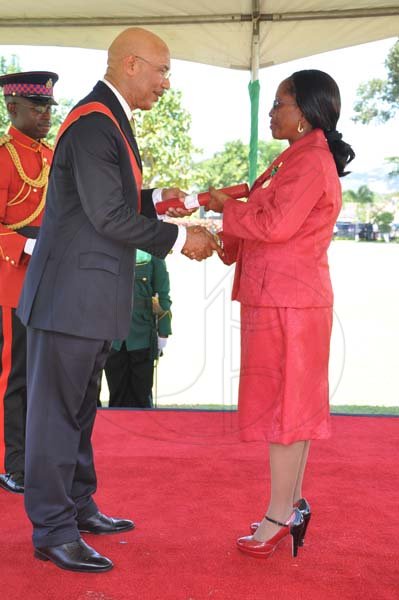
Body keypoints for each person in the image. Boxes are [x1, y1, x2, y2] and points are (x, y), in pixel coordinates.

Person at [17, 27, 220, 574]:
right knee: (57, 417)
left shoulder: (108, 120)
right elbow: (109, 215)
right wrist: (183, 238)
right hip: (69, 301)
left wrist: (168, 201)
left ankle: (77, 507)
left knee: (81, 413)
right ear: (131, 64)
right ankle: (52, 530)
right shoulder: (92, 124)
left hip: (86, 300)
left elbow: (115, 201)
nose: (166, 83)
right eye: (162, 70)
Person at [206, 70, 355, 560]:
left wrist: (226, 208)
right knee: (293, 411)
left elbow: (273, 224)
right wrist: (228, 209)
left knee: (287, 414)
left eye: (279, 104)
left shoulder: (309, 161)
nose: (271, 112)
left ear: (306, 112)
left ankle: (280, 514)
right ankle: (287, 507)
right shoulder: (298, 157)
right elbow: (269, 222)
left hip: (289, 304)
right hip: (286, 300)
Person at [0, 71, 58, 495]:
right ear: (11, 107)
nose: (45, 116)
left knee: (49, 376)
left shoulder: (54, 156)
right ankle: (13, 463)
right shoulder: (3, 157)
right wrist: (27, 245)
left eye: (49, 108)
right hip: (14, 280)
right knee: (15, 376)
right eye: (37, 108)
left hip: (55, 281)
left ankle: (41, 457)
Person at [104, 250, 172, 408]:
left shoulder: (152, 253)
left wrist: (163, 332)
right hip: (112, 338)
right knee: (117, 396)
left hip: (142, 336)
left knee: (142, 398)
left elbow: (163, 295)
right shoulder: (107, 248)